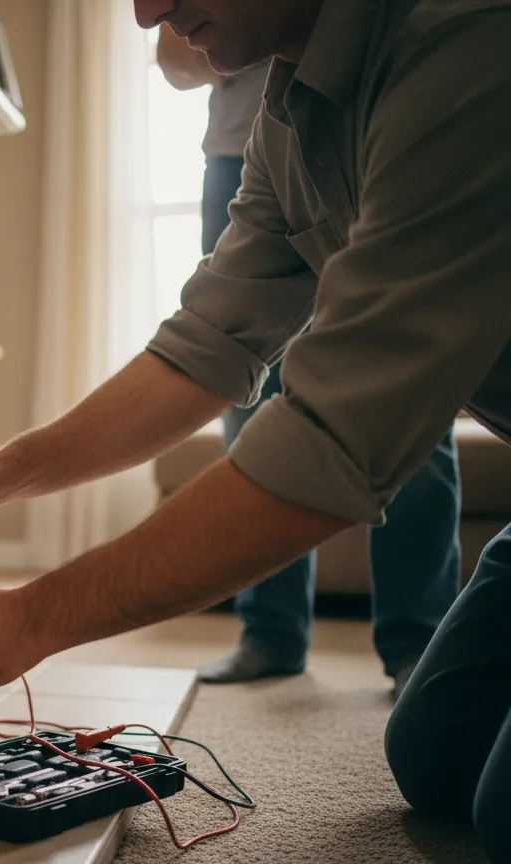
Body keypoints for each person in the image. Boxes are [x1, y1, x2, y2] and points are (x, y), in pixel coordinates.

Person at [0, 1, 511, 857]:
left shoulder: (465, 36)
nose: (145, 10)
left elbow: (333, 441)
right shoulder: (286, 109)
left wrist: (25, 622)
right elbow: (206, 347)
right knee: (435, 762)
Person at [155, 24, 462, 692]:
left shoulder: (454, 58)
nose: (150, 11)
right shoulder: (258, 121)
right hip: (239, 156)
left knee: (407, 391)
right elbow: (208, 352)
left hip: (367, 131)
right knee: (250, 397)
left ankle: (420, 639)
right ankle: (270, 631)